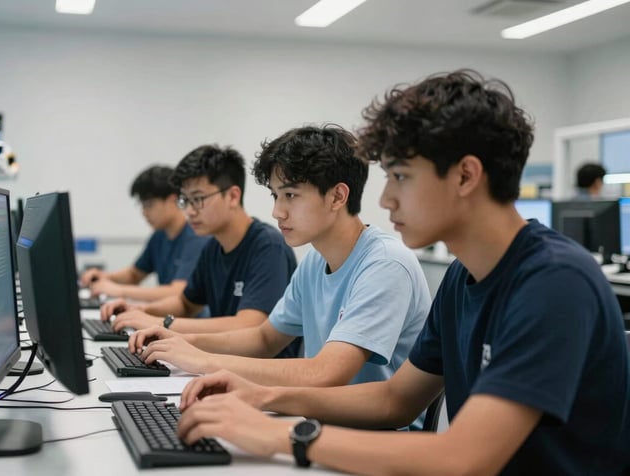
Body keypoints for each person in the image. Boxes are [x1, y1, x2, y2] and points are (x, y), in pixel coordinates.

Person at [175, 70, 630, 475]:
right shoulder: (461, 277)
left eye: (401, 176)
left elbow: (465, 458)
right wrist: (261, 396)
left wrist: (284, 436)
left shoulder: (553, 282)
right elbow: (395, 399)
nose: (387, 198)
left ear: (466, 176)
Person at [129, 126, 430, 396]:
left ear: (338, 197)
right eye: (276, 196)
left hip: (379, 437)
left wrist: (205, 361)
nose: (277, 211)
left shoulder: (385, 264)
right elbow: (263, 339)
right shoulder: (315, 262)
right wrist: (182, 339)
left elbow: (325, 373)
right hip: (318, 415)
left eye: (290, 195)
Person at [101, 145, 299, 353]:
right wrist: (140, 310)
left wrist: (163, 324)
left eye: (198, 199)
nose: (189, 211)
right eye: (185, 200)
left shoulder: (268, 246)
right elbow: (186, 304)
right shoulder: (213, 247)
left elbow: (249, 325)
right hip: (222, 364)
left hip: (257, 376)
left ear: (232, 196)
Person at [80, 165, 208, 301]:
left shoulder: (196, 237)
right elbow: (134, 274)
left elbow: (178, 292)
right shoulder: (159, 236)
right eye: (142, 205)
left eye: (149, 204)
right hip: (171, 319)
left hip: (193, 320)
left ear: (172, 200)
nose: (144, 212)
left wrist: (119, 290)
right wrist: (105, 277)